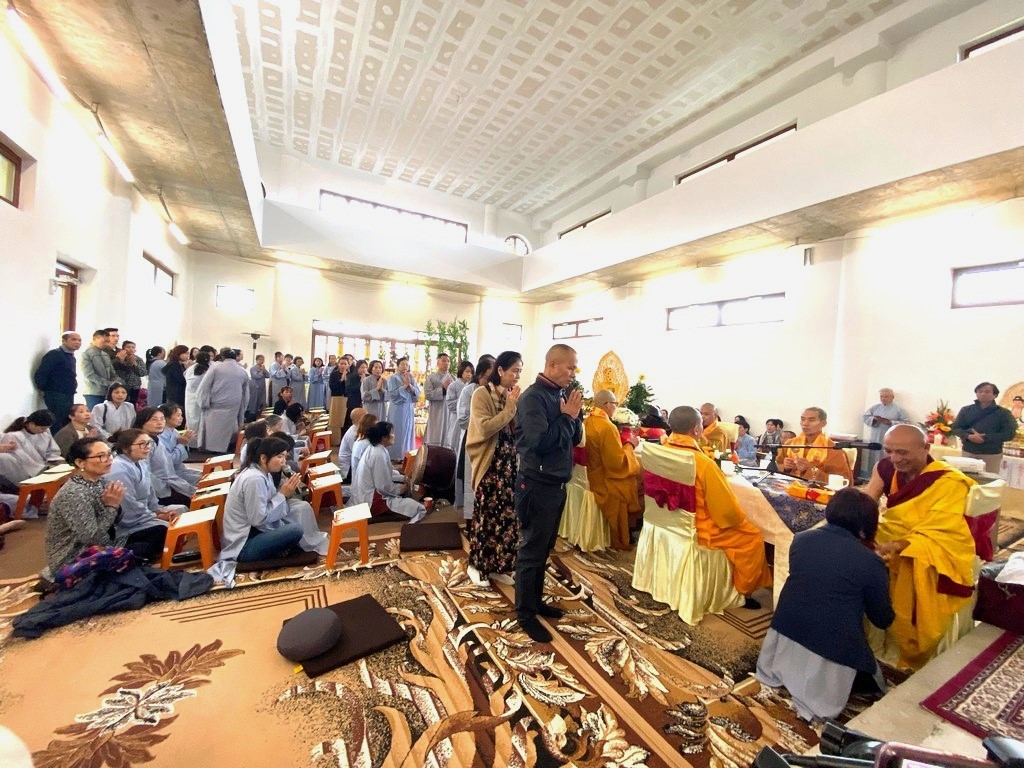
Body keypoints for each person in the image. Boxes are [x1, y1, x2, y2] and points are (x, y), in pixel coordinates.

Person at [757, 488, 894, 721]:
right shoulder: (870, 562)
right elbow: (882, 619)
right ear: (867, 525)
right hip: (831, 648)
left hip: (786, 631)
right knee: (871, 680)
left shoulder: (801, 539)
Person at [864, 424, 978, 670]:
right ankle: (863, 636)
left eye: (902, 452)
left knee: (915, 557)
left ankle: (905, 645)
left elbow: (943, 527)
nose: (895, 459)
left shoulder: (949, 481)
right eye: (889, 451)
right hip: (889, 535)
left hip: (929, 543)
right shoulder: (885, 467)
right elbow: (867, 501)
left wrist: (900, 545)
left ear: (925, 448)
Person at [663, 406, 773, 605]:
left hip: (672, 517)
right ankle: (744, 592)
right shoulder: (703, 463)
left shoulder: (664, 450)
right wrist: (742, 519)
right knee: (753, 537)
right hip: (699, 526)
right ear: (697, 429)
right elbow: (726, 511)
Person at [513, 344, 583, 643]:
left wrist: (574, 417)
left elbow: (574, 439)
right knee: (532, 550)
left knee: (544, 548)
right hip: (537, 485)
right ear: (552, 365)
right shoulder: (533, 397)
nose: (574, 373)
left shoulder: (560, 395)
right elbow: (539, 442)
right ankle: (525, 614)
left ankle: (535, 602)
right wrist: (566, 417)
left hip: (556, 484)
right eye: (570, 367)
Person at [465, 351, 522, 586]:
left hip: (507, 465)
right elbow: (485, 428)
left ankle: (498, 565)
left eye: (520, 371)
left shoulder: (509, 395)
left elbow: (515, 429)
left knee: (506, 517)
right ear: (500, 370)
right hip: (489, 466)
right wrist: (509, 409)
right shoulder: (481, 394)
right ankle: (476, 566)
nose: (517, 376)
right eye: (514, 371)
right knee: (486, 517)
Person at [44, 437, 126, 577]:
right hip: (74, 558)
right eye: (101, 456)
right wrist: (112, 507)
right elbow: (92, 539)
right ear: (80, 462)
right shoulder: (74, 493)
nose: (109, 459)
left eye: (109, 453)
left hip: (105, 542)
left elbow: (114, 523)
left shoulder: (100, 481)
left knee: (156, 533)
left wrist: (116, 507)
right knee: (143, 547)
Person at [216, 436, 307, 563]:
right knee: (296, 529)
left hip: (255, 532)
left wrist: (286, 494)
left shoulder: (262, 473)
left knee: (296, 515)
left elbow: (269, 504)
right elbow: (257, 519)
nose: (283, 462)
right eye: (280, 456)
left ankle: (280, 549)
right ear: (263, 458)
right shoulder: (254, 479)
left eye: (285, 457)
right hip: (243, 545)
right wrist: (282, 495)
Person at [105, 428, 184, 563]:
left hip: (145, 512)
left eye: (149, 443)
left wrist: (158, 511)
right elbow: (128, 506)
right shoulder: (118, 469)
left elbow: (150, 493)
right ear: (126, 448)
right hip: (128, 523)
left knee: (181, 510)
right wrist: (155, 516)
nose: (148, 447)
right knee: (164, 529)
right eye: (142, 444)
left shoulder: (141, 462)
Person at [583, 389, 641, 550]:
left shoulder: (588, 420)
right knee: (635, 483)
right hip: (604, 482)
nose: (616, 407)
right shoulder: (607, 427)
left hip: (591, 473)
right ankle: (627, 533)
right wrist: (630, 445)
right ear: (608, 404)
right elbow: (617, 464)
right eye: (615, 404)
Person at [350, 421, 427, 522]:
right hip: (372, 500)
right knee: (418, 508)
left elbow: (388, 473)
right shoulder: (378, 454)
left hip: (367, 494)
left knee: (405, 493)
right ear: (384, 438)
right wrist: (400, 489)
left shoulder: (377, 448)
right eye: (391, 433)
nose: (393, 435)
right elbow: (383, 486)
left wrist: (404, 478)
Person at [951, 381, 1018, 474]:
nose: (983, 394)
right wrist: (968, 436)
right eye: (980, 391)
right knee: (966, 479)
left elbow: (1010, 434)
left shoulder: (1004, 413)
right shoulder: (966, 410)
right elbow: (955, 428)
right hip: (969, 451)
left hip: (991, 454)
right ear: (976, 393)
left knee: (988, 480)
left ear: (995, 395)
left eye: (987, 392)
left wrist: (986, 437)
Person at [456, 356, 494, 517]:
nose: (490, 381)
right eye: (487, 377)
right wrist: (483, 422)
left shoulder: (495, 391)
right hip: (473, 438)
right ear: (479, 375)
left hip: (491, 440)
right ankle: (472, 515)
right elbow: (463, 419)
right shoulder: (469, 391)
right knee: (472, 478)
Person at [134, 407, 195, 505]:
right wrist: (164, 489)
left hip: (169, 482)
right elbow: (145, 473)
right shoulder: (142, 443)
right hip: (156, 491)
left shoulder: (156, 439)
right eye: (154, 419)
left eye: (162, 419)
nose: (159, 423)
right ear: (142, 422)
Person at [780, 407, 853, 485]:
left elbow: (842, 482)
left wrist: (810, 469)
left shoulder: (833, 449)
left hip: (817, 490)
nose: (805, 423)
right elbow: (776, 467)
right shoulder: (790, 443)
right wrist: (785, 467)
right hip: (788, 487)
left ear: (823, 423)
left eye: (811, 420)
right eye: (803, 419)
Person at [196, 348, 250, 453]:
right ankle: (227, 447)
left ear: (223, 357)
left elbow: (205, 386)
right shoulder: (242, 371)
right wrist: (243, 408)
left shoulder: (216, 367)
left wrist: (203, 402)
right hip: (233, 404)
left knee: (213, 429)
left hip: (215, 403)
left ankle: (211, 448)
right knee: (228, 429)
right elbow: (245, 393)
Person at [33, 331, 81, 433]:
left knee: (65, 421)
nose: (77, 342)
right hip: (56, 394)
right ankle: (56, 442)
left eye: (79, 340)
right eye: (74, 339)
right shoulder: (55, 354)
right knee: (57, 422)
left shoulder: (70, 356)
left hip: (68, 394)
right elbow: (42, 373)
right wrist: (43, 389)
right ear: (64, 341)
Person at [0, 410, 64, 485]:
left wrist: (58, 462)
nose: (44, 431)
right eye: (42, 428)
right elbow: (23, 460)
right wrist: (44, 469)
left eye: (47, 428)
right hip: (28, 472)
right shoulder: (14, 436)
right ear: (31, 424)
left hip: (45, 467)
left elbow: (52, 451)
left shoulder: (45, 431)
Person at [862, 388, 909, 475]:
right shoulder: (875, 408)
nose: (883, 398)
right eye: (881, 396)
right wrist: (874, 419)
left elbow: (906, 423)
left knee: (886, 457)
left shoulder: (898, 410)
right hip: (875, 436)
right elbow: (866, 417)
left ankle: (886, 477)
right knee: (874, 455)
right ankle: (871, 476)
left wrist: (890, 422)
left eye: (886, 397)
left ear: (892, 397)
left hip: (890, 438)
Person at [157, 403, 201, 488]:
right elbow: (169, 461)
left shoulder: (174, 431)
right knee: (204, 480)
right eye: (178, 415)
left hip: (179, 469)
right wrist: (181, 444)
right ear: (166, 417)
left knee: (206, 475)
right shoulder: (160, 436)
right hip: (169, 473)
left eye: (181, 415)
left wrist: (182, 443)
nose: (181, 418)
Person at [386, 357, 420, 461]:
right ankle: (396, 455)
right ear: (398, 366)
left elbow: (417, 392)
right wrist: (404, 386)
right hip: (398, 408)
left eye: (407, 365)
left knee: (408, 430)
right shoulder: (393, 378)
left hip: (409, 407)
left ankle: (407, 454)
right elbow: (392, 394)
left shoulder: (411, 377)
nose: (405, 366)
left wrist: (410, 386)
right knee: (398, 430)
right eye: (402, 364)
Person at [81, 330, 118, 409]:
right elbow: (89, 375)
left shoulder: (105, 354)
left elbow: (112, 373)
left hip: (108, 392)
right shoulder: (85, 354)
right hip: (93, 392)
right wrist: (108, 383)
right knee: (95, 414)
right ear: (94, 339)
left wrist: (117, 382)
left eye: (108, 341)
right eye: (104, 341)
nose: (106, 344)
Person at [423, 353, 454, 446]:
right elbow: (428, 394)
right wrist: (443, 389)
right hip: (436, 411)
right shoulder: (431, 377)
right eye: (443, 361)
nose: (446, 363)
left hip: (449, 410)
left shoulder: (453, 378)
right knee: (435, 434)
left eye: (448, 361)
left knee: (448, 435)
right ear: (438, 363)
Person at [183, 350, 211, 446]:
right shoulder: (209, 370)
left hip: (190, 399)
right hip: (203, 398)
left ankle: (192, 443)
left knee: (191, 420)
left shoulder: (190, 369)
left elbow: (186, 379)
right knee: (202, 422)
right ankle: (201, 443)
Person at [445, 360, 474, 450]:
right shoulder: (453, 385)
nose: (469, 374)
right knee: (454, 441)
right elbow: (450, 404)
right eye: (467, 371)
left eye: (471, 372)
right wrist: (464, 401)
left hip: (469, 418)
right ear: (461, 371)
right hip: (456, 418)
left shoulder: (473, 386)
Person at [112, 340, 147, 405]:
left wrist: (135, 364)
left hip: (135, 387)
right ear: (123, 349)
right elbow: (115, 371)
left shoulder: (138, 359)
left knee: (132, 404)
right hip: (122, 386)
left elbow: (143, 373)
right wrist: (121, 361)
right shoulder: (118, 359)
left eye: (133, 347)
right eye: (128, 347)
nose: (131, 349)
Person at [336, 407, 365, 482]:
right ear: (359, 420)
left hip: (352, 464)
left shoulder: (357, 429)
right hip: (348, 470)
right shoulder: (353, 434)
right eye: (366, 416)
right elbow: (359, 456)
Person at [163, 345, 190, 417]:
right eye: (186, 353)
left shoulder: (180, 364)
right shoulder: (174, 365)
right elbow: (182, 379)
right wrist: (188, 370)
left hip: (178, 393)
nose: (188, 355)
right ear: (179, 353)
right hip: (176, 394)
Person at [349, 412, 379, 480]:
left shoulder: (360, 439)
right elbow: (376, 471)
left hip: (359, 478)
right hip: (364, 481)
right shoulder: (367, 444)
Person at [327, 356, 351, 440]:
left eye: (345, 364)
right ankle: (336, 440)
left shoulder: (351, 375)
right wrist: (341, 380)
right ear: (338, 364)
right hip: (337, 399)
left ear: (348, 365)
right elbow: (332, 387)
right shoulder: (334, 374)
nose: (343, 365)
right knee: (336, 421)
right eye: (341, 364)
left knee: (347, 420)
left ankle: (346, 439)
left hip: (348, 399)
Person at [345, 359, 367, 428]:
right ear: (357, 368)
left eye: (365, 367)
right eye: (362, 367)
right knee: (353, 423)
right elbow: (349, 389)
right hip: (354, 402)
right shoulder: (350, 377)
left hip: (365, 402)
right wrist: (361, 382)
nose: (364, 369)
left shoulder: (368, 377)